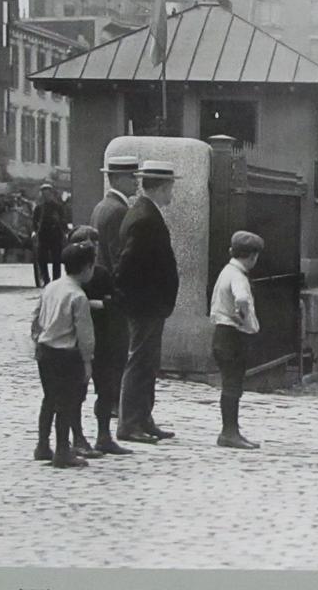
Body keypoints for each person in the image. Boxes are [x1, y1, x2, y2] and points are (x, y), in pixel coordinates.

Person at [114, 160, 181, 444]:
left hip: (150, 304)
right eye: (171, 188)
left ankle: (144, 418)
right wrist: (135, 297)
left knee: (148, 362)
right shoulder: (144, 218)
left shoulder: (146, 212)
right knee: (139, 362)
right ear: (163, 187)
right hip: (144, 306)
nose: (172, 195)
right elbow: (127, 265)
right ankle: (129, 423)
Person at [30, 241, 97, 469]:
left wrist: (37, 338)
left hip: (45, 351)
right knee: (66, 403)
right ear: (87, 267)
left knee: (49, 399)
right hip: (66, 355)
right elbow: (85, 334)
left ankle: (42, 445)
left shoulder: (51, 287)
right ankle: (62, 450)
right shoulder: (78, 296)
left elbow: (36, 316)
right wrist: (87, 361)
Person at [89, 155, 140, 435]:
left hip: (101, 291)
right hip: (113, 294)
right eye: (133, 177)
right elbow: (118, 258)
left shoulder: (101, 206)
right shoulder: (119, 210)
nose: (137, 182)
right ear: (118, 179)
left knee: (107, 351)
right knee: (117, 351)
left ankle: (109, 401)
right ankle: (113, 404)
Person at [210, 231, 265, 450]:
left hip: (222, 334)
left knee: (231, 384)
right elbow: (241, 298)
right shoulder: (238, 276)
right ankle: (229, 432)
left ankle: (231, 430)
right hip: (231, 335)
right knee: (233, 385)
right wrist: (242, 317)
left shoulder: (227, 270)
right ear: (251, 256)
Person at [32, 183, 66, 284]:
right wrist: (34, 231)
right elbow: (34, 221)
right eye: (44, 194)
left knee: (56, 259)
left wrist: (59, 222)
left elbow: (64, 221)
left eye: (48, 194)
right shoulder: (39, 208)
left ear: (52, 194)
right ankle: (46, 279)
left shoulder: (58, 207)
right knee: (42, 259)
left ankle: (56, 280)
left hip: (55, 235)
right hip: (43, 236)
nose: (46, 196)